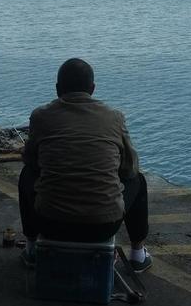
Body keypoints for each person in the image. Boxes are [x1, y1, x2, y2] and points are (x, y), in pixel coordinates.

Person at [18, 58, 151, 272]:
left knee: (27, 174)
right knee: (138, 180)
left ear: (58, 89)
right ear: (92, 89)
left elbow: (30, 161)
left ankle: (32, 249)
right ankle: (138, 255)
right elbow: (130, 168)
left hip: (51, 223)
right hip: (103, 225)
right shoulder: (114, 117)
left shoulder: (40, 116)